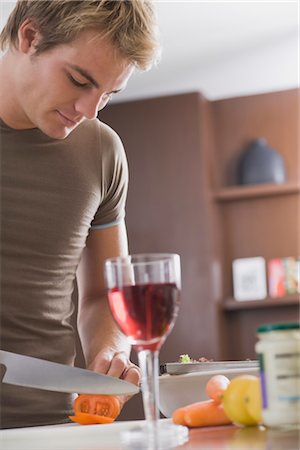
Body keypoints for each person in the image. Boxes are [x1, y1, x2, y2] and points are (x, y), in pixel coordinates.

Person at [0, 0, 160, 429]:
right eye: (78, 80)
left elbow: (103, 296)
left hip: (55, 425)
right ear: (29, 37)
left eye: (108, 94)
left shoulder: (103, 152)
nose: (90, 111)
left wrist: (109, 351)